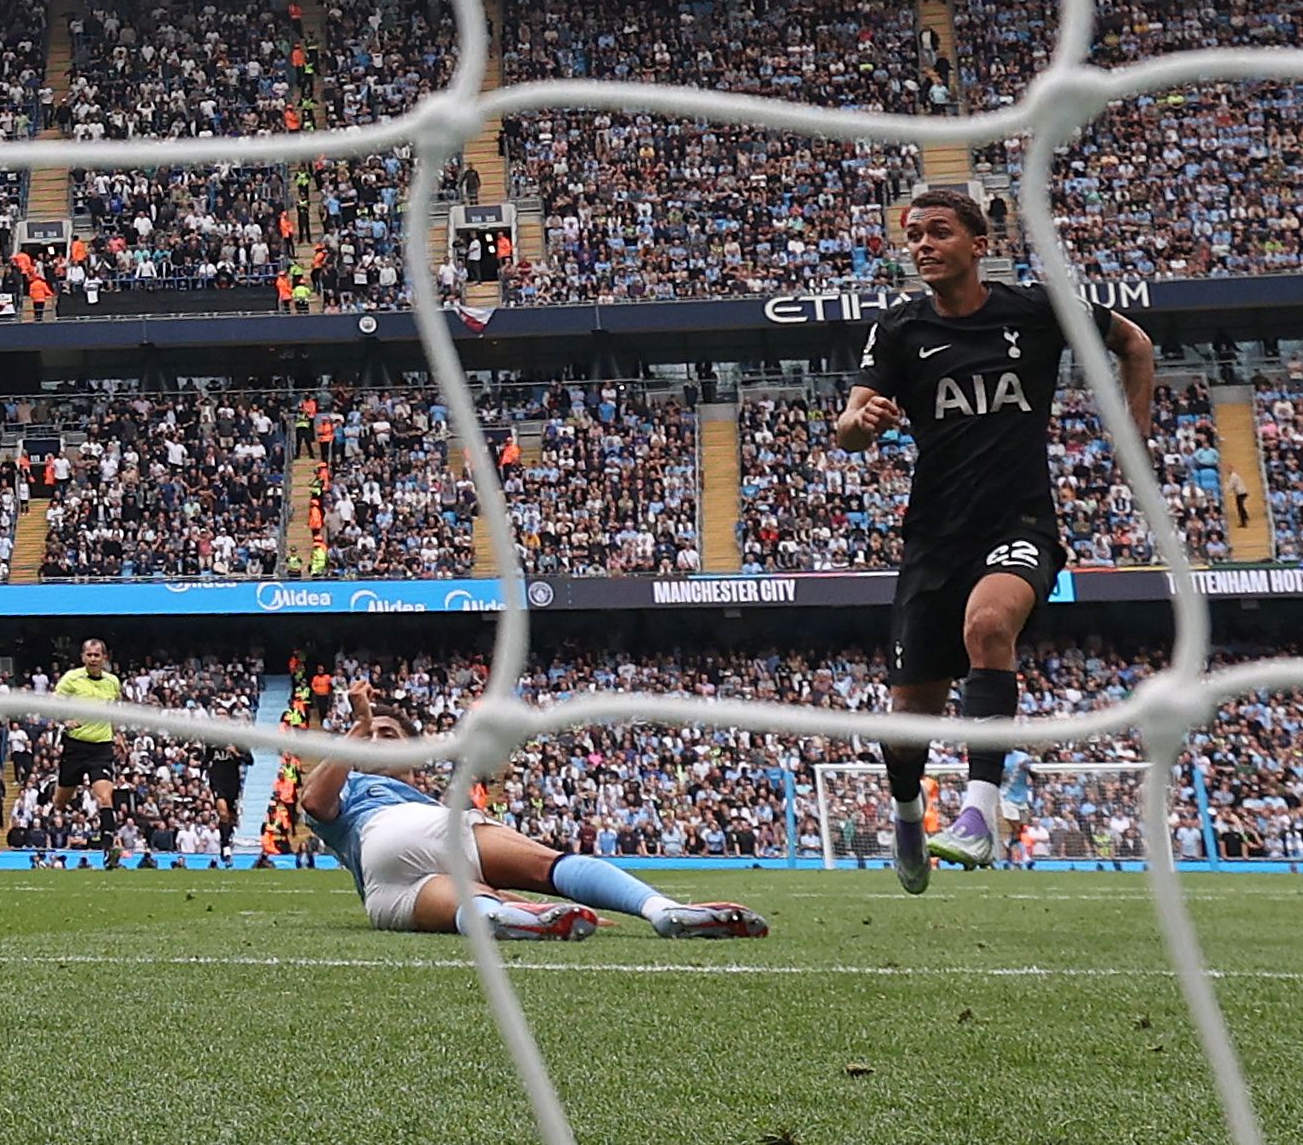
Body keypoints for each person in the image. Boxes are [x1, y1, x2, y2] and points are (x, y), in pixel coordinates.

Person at [828, 184, 1157, 890]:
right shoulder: (900, 329)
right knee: (906, 730)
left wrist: (1134, 434)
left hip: (1020, 522)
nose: (922, 244)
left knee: (989, 625)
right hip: (935, 541)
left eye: (938, 231)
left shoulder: (1038, 310)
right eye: (914, 234)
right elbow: (847, 429)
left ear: (979, 245)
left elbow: (1135, 343)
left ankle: (979, 815)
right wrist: (864, 422)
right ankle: (908, 813)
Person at [293, 687, 766, 941]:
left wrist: (552, 913)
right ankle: (662, 910)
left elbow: (315, 806)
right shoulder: (356, 784)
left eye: (388, 735)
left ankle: (513, 919)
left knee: (476, 902)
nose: (374, 741)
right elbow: (314, 800)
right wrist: (358, 727)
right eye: (370, 736)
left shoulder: (374, 798)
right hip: (399, 833)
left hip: (384, 894)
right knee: (547, 865)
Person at [51, 637, 129, 864]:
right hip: (75, 747)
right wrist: (65, 720)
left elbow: (114, 711)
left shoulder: (112, 682)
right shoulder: (71, 679)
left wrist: (118, 734)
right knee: (60, 803)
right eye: (89, 655)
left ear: (104, 658)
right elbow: (52, 704)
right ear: (83, 657)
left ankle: (109, 850)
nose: (93, 659)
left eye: (97, 655)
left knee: (105, 797)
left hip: (101, 748)